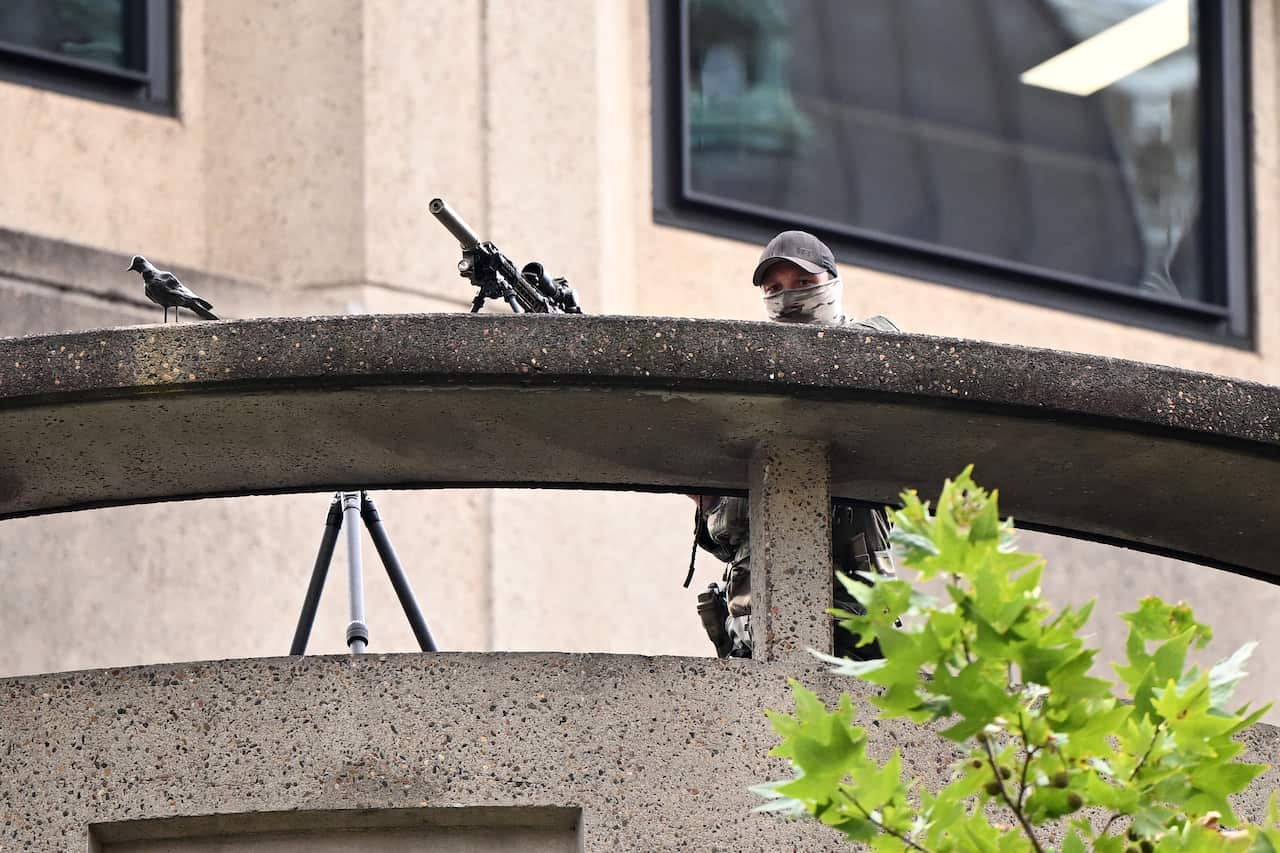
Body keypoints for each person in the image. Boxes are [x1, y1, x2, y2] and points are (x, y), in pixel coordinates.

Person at [689, 230, 899, 660]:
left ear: (832, 282)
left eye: (803, 283)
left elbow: (883, 349)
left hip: (851, 638)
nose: (788, 298)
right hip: (751, 641)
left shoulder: (873, 346)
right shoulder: (756, 410)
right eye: (775, 289)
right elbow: (728, 535)